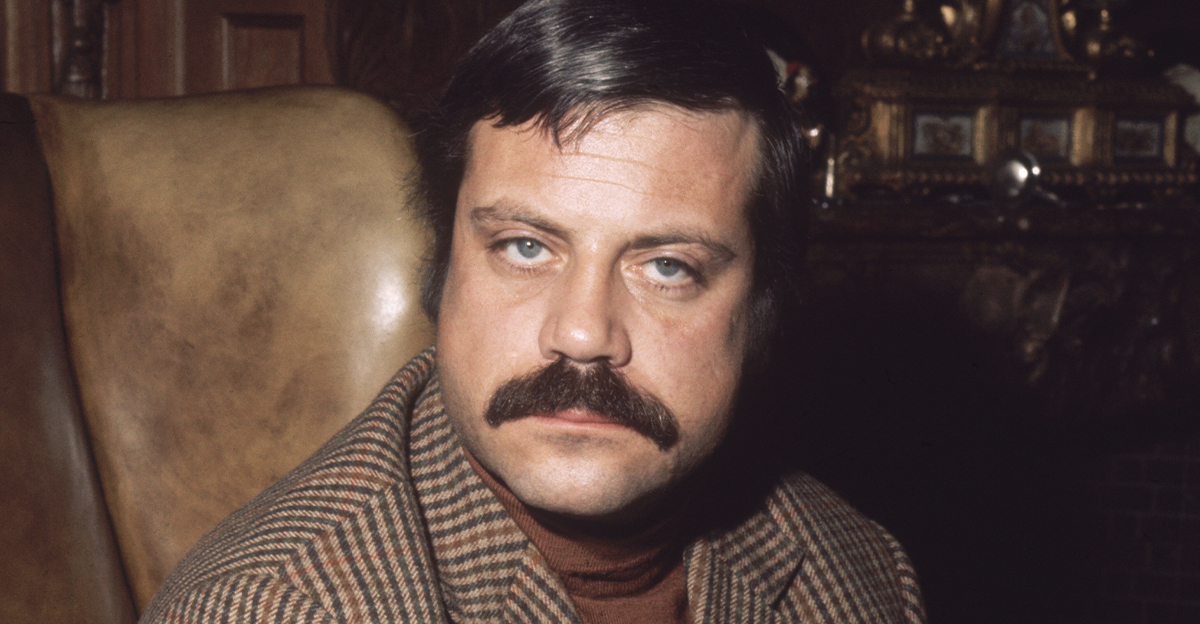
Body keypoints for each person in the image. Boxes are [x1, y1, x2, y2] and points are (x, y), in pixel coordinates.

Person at [141, 0, 925, 622]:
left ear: (760, 313)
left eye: (666, 267)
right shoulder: (268, 608)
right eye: (525, 247)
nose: (582, 334)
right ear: (443, 270)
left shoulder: (856, 571)